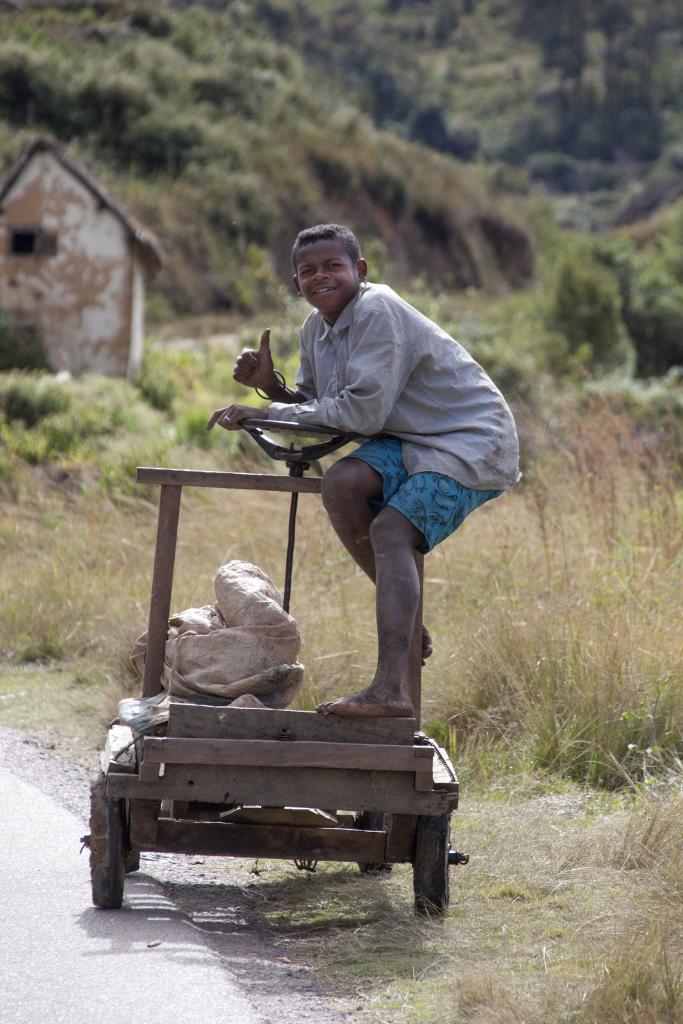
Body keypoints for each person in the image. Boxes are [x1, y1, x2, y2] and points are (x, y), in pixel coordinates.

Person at [208, 223, 520, 718]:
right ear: (296, 283)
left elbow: (360, 416)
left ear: (360, 270)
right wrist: (272, 388)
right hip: (410, 439)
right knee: (344, 482)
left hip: (469, 440)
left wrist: (263, 413)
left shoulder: (377, 310)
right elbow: (321, 407)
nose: (320, 277)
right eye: (308, 271)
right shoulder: (315, 329)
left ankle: (389, 690)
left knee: (391, 530)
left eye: (333, 266)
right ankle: (406, 624)